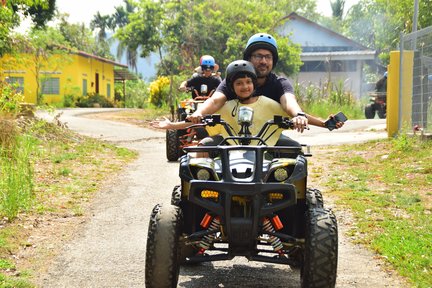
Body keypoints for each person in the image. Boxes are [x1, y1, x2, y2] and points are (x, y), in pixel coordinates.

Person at [186, 33, 344, 132]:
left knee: (295, 154)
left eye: (268, 57)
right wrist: (199, 113)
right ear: (248, 59)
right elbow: (215, 100)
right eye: (258, 56)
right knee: (203, 151)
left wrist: (299, 116)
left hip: (268, 140)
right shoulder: (233, 80)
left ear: (273, 61)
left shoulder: (279, 83)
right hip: (232, 138)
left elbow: (289, 103)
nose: (263, 61)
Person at [151, 60, 313, 149]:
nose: (245, 87)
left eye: (248, 82)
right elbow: (200, 119)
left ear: (254, 84)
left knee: (295, 150)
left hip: (263, 144)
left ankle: (297, 198)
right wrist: (172, 125)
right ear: (231, 87)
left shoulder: (268, 103)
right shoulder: (226, 105)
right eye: (239, 83)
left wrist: (323, 123)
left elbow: (295, 114)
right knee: (202, 148)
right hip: (230, 142)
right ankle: (197, 196)